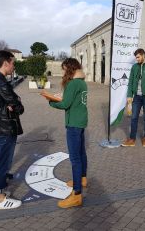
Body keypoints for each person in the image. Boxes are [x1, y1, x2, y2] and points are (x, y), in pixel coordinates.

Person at [49, 58, 88, 208]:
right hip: (81, 121)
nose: (63, 71)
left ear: (70, 69)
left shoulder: (72, 83)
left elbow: (65, 104)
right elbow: (74, 100)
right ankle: (82, 179)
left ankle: (76, 194)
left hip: (73, 123)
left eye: (65, 69)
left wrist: (51, 101)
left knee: (75, 158)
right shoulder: (82, 81)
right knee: (81, 153)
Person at [0, 50, 24, 209]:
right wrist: (17, 102)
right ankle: (1, 199)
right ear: (6, 62)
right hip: (4, 127)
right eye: (13, 63)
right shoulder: (1, 82)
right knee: (2, 163)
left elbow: (10, 103)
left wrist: (13, 103)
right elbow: (18, 106)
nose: (13, 66)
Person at [122, 48, 145, 147]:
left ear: (143, 55)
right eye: (136, 58)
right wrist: (129, 95)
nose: (137, 59)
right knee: (134, 117)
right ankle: (132, 139)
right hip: (137, 97)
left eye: (138, 57)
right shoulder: (134, 67)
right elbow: (130, 82)